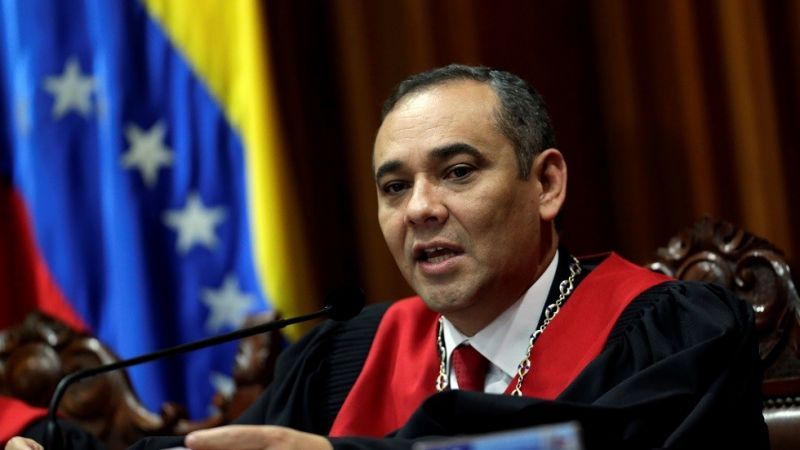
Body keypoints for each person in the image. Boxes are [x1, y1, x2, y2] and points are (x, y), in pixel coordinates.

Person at [6, 64, 769, 450]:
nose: (419, 209)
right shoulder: (345, 358)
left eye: (457, 172)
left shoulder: (673, 334)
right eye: (394, 187)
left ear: (545, 184)